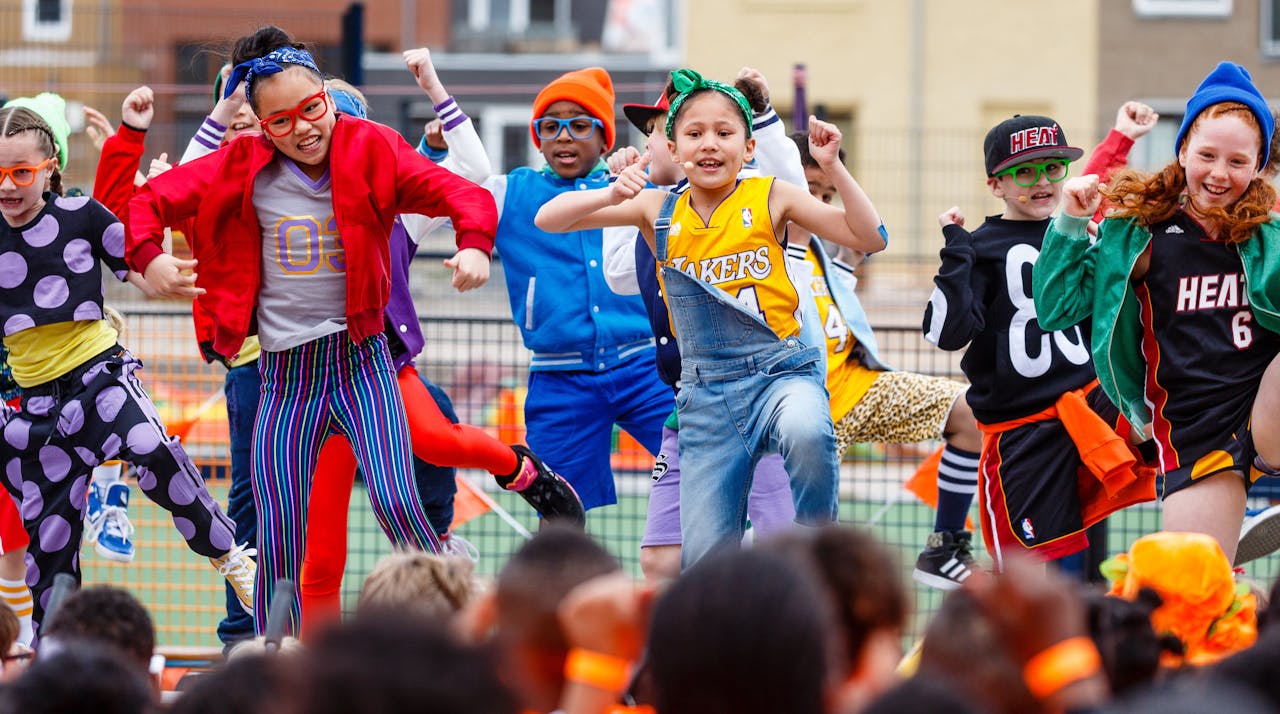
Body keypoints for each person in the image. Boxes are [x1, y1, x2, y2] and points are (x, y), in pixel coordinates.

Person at [125, 25, 497, 630]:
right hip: (283, 376)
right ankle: (280, 652)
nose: (303, 129)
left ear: (327, 96)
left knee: (399, 501)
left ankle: (461, 629)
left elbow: (463, 192)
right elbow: (146, 204)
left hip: (362, 362)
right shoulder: (237, 164)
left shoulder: (373, 146)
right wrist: (151, 260)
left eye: (312, 109)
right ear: (260, 126)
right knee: (277, 529)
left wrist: (476, 247)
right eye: (281, 122)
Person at [536, 68, 887, 565]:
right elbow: (548, 218)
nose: (709, 144)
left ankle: (816, 550)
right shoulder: (654, 207)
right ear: (673, 150)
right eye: (694, 134)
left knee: (808, 432)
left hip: (781, 373)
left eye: (724, 133)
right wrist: (613, 191)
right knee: (700, 566)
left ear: (747, 149)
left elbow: (871, 237)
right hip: (705, 396)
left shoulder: (772, 195)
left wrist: (835, 168)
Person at [297, 58, 583, 638]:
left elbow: (474, 171)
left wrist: (432, 87)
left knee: (435, 440)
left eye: (340, 138)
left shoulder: (396, 210)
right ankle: (317, 658)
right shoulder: (283, 210)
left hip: (377, 367)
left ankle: (524, 472)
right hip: (312, 382)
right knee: (320, 551)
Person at [0, 104, 251, 633]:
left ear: (49, 169)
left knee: (154, 449)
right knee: (48, 557)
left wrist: (157, 270)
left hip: (98, 379)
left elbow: (134, 257)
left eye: (20, 172)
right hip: (32, 411)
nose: (8, 185)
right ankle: (56, 658)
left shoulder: (80, 215)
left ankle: (227, 553)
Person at [1033, 61, 1280, 564]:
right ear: (1183, 148)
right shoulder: (1137, 234)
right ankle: (1245, 597)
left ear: (1258, 166)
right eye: (1207, 154)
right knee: (1186, 592)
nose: (1218, 173)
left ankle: (1271, 470)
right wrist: (1070, 223)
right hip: (1194, 428)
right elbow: (1056, 310)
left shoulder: (1268, 234)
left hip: (1265, 408)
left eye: (1237, 161)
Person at [923, 113, 1155, 576]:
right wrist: (956, 250)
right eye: (1024, 171)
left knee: (1175, 433)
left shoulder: (1081, 230)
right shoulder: (981, 245)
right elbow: (944, 334)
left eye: (1052, 168)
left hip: (1091, 414)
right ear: (996, 185)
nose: (1042, 181)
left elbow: (1097, 180)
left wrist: (1123, 137)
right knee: (1044, 577)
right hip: (1023, 434)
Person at [602, 69, 803, 581]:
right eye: (654, 131)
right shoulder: (658, 213)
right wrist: (618, 192)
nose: (644, 142)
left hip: (763, 397)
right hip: (692, 402)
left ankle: (784, 643)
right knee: (664, 558)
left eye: (656, 128)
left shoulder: (748, 202)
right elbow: (620, 275)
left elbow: (789, 187)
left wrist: (765, 116)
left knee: (783, 552)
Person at [786, 131, 985, 591]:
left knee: (973, 412)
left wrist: (845, 261)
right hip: (802, 420)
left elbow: (871, 237)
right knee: (806, 557)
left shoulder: (822, 251)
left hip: (860, 389)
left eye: (826, 195)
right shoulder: (757, 249)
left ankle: (944, 547)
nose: (818, 204)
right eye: (807, 192)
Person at [480, 66, 674, 518]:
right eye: (551, 127)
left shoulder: (633, 182)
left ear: (606, 138)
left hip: (645, 366)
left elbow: (678, 164)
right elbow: (456, 188)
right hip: (559, 377)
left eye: (580, 125)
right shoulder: (512, 192)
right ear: (538, 139)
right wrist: (471, 248)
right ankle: (565, 586)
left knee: (703, 462)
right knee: (560, 508)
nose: (564, 137)